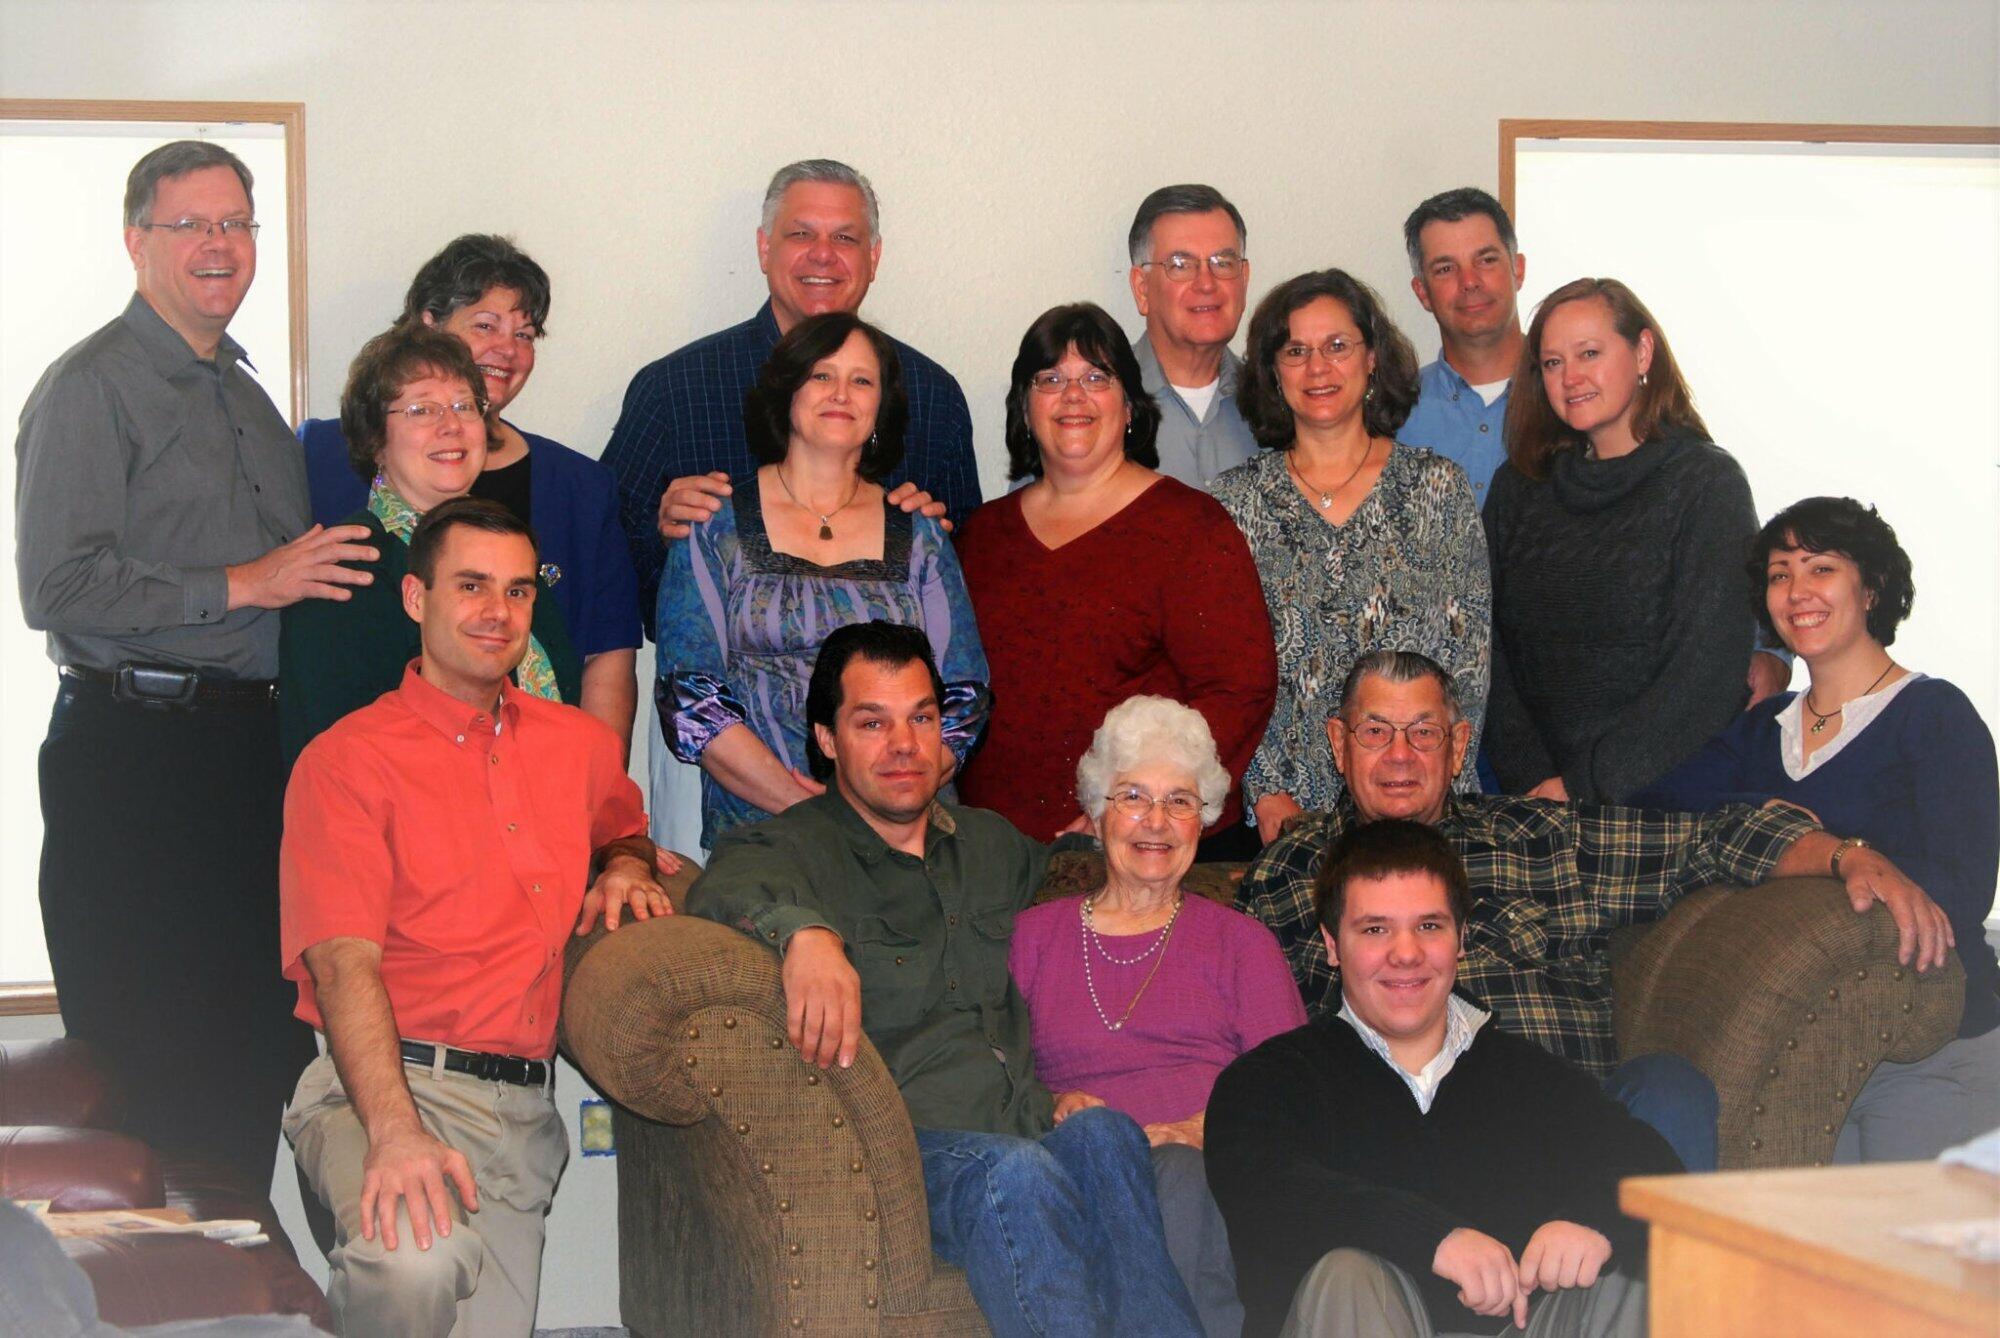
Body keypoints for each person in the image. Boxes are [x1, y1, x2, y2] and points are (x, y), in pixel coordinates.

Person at [1236, 649, 1956, 1171]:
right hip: (1392, 1142)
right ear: (1339, 743)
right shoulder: (1287, 873)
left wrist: (1847, 856)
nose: (1401, 755)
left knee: (1669, 1088)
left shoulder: (1540, 837)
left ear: (1458, 748)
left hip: (1566, 1136)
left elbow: (1710, 840)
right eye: (1376, 731)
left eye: (1424, 732)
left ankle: (1662, 1297)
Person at [15, 140, 370, 1190]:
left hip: (245, 757)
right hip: (135, 758)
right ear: (137, 242)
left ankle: (235, 1267)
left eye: (236, 224)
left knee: (254, 1056)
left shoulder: (248, 397)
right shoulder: (91, 387)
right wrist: (244, 583)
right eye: (191, 225)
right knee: (148, 1073)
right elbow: (57, 588)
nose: (219, 245)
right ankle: (162, 1273)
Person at [689, 622, 1202, 1338]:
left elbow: (1081, 874)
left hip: (1022, 1124)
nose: (904, 745)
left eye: (922, 719)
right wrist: (804, 934)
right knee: (1016, 1175)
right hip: (901, 1149)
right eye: (873, 723)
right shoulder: (792, 845)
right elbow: (720, 887)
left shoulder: (990, 843)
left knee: (1107, 1134)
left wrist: (1124, 829)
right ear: (827, 739)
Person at [280, 497, 672, 1337]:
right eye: (471, 586)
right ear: (415, 598)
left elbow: (623, 822)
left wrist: (628, 863)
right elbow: (342, 963)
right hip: (381, 1087)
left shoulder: (577, 746)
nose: (498, 611)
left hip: (521, 1115)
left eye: (518, 590)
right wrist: (396, 1134)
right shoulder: (345, 762)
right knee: (412, 1261)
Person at [601, 157, 977, 855]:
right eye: (801, 233)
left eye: (846, 237)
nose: (823, 255)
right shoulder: (673, 388)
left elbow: (965, 611)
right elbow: (604, 569)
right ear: (763, 246)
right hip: (724, 769)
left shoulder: (933, 395)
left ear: (875, 257)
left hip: (901, 799)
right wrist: (660, 531)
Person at [1208, 820, 1678, 1338]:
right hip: (1348, 1320)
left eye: (1429, 926)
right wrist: (1434, 1238)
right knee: (1349, 1271)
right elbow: (1273, 1192)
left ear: (1461, 939)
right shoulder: (1265, 1083)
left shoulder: (1531, 1076)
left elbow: (1653, 1167)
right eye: (1375, 929)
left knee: (1631, 1264)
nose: (1406, 953)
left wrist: (1592, 1219)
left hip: (1519, 1328)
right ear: (1332, 944)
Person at [1637, 497, 1998, 1161]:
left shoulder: (1933, 713)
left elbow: (1962, 891)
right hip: (1797, 1055)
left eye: (1820, 568)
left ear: (1872, 588)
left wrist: (1842, 858)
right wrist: (1780, 826)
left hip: (1932, 1048)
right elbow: (1657, 812)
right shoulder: (1762, 726)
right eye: (1780, 574)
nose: (1797, 591)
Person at [1008, 696, 1306, 1337]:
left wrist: (1203, 1128)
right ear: (1096, 814)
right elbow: (993, 1072)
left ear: (1203, 821)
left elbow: (1292, 1088)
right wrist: (1052, 1104)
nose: (1156, 821)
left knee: (1179, 1174)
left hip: (1207, 1178)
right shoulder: (1031, 937)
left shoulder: (1241, 942)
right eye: (1133, 797)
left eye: (1180, 801)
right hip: (1077, 1174)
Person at [655, 312, 989, 849]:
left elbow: (964, 697)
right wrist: (814, 812)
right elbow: (690, 698)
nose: (841, 394)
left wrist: (888, 805)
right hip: (765, 833)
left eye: (862, 380)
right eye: (821, 375)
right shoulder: (713, 525)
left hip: (905, 837)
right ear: (787, 392)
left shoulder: (921, 532)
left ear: (881, 407)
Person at [296, 235, 641, 752]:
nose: (508, 348)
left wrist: (593, 789)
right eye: (485, 325)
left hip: (537, 784)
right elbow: (331, 743)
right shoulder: (339, 529)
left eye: (524, 334)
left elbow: (601, 659)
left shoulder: (530, 554)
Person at [956, 303, 1275, 852]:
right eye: (1050, 379)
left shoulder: (1190, 528)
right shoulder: (981, 537)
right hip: (996, 853)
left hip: (1151, 850)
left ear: (1129, 406)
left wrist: (1131, 807)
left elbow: (1239, 691)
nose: (1072, 396)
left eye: (1095, 378)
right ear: (1025, 408)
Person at [1210, 270, 1489, 841]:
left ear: (1372, 359)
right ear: (1273, 372)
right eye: (1295, 351)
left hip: (1421, 808)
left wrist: (1435, 790)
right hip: (1287, 816)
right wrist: (1263, 790)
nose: (1318, 367)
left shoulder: (1438, 488)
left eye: (1337, 346)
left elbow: (1469, 664)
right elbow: (1223, 670)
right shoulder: (1233, 504)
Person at [1483, 276, 1763, 804]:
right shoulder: (1517, 488)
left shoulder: (1706, 484)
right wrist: (1534, 783)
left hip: (1668, 800)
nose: (1571, 378)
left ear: (1643, 352)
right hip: (1535, 801)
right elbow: (1486, 647)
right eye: (1552, 363)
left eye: (1589, 353)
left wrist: (1584, 785)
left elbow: (1706, 674)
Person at [279, 325, 581, 763]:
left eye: (464, 406)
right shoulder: (344, 568)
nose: (451, 426)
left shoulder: (508, 555)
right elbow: (343, 762)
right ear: (375, 440)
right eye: (422, 409)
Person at [1397, 187, 1527, 508]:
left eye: (1486, 260)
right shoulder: (1392, 413)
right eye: (1445, 268)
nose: (1469, 281)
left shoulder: (1573, 398)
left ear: (1518, 269)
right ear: (1422, 292)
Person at [1124, 184, 1258, 486]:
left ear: (1244, 280)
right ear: (1142, 289)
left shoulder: (1279, 405)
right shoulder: (1093, 407)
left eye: (1222, 263)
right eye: (1181, 265)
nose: (1206, 283)